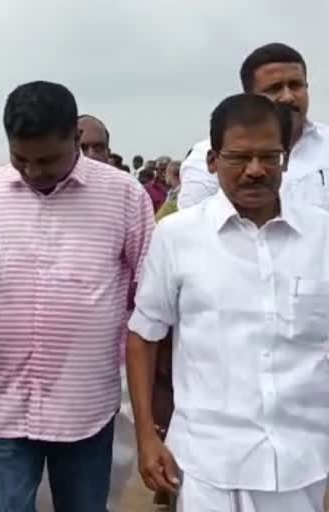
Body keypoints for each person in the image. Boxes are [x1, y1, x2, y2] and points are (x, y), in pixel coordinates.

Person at [0, 81, 154, 511]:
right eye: (22, 159)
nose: (34, 171)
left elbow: (148, 299)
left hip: (86, 406)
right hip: (6, 405)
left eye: (48, 160)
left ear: (75, 136)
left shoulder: (125, 196)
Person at [127, 93, 329, 511]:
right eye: (239, 158)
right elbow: (144, 337)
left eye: (268, 156)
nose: (255, 170)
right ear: (214, 160)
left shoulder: (322, 236)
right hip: (206, 466)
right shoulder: (177, 237)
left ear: (286, 159)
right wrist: (147, 436)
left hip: (303, 465)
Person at [178, 42, 329, 210]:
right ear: (250, 96)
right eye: (275, 88)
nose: (288, 97)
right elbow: (192, 229)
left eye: (295, 85)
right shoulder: (211, 159)